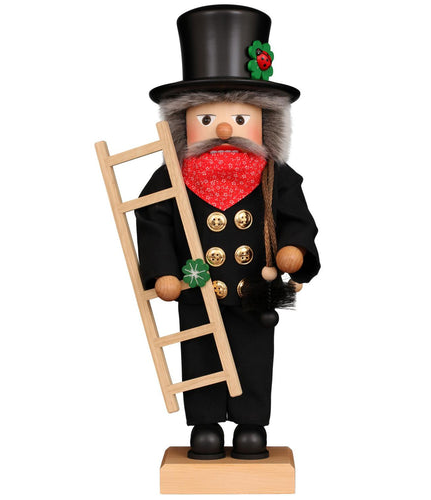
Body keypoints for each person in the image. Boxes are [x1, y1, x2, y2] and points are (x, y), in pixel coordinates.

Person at [136, 5, 320, 460]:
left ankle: (251, 424)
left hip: (256, 285)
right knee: (201, 353)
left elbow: (297, 219)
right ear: (183, 123)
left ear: (263, 122)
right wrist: (162, 272)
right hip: (198, 286)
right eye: (206, 119)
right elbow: (152, 218)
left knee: (253, 355)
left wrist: (294, 250)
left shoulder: (274, 174)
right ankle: (205, 425)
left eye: (239, 119)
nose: (222, 127)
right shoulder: (173, 174)